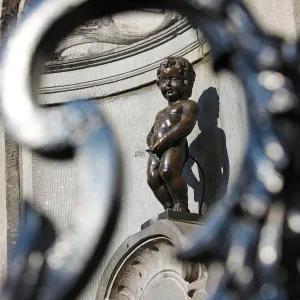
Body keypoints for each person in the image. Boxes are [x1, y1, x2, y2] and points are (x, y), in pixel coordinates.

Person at [146, 56, 198, 212]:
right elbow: (151, 133)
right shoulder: (160, 113)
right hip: (156, 150)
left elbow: (185, 125)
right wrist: (151, 143)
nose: (167, 85)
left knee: (168, 171)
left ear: (186, 82)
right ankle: (168, 207)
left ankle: (181, 204)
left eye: (173, 80)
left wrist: (163, 141)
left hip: (174, 145)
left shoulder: (188, 105)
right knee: (153, 178)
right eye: (163, 81)